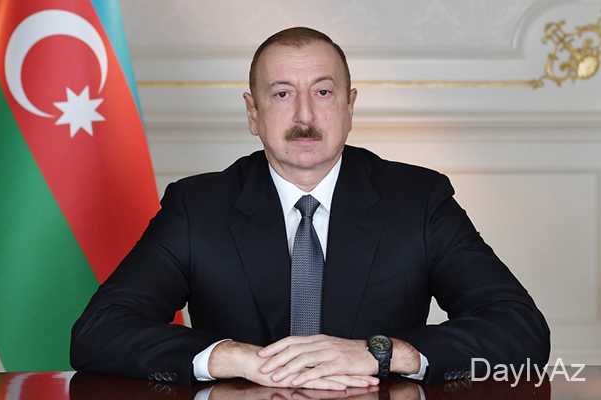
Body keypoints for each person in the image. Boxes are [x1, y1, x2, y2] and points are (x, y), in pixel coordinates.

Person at [70, 27, 550, 389]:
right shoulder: (198, 207)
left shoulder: (418, 200)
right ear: (253, 113)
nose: (305, 116)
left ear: (349, 106)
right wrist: (232, 357)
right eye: (282, 94)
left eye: (323, 92)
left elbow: (521, 329)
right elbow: (97, 333)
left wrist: (384, 354)